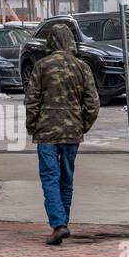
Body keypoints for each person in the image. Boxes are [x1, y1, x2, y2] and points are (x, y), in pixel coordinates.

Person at [24, 23, 100, 245]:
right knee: (66, 179)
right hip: (72, 132)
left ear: (51, 41)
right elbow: (93, 104)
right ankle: (63, 222)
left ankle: (59, 225)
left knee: (50, 177)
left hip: (46, 132)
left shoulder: (42, 66)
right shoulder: (82, 67)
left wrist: (32, 126)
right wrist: (82, 125)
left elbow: (32, 100)